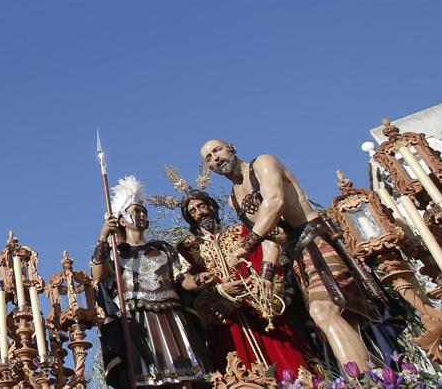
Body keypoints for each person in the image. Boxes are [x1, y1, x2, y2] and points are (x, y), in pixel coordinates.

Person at [199, 139, 383, 374]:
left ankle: (363, 380)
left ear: (232, 148)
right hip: (296, 255)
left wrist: (245, 245)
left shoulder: (263, 164)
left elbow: (274, 203)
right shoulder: (233, 200)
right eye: (208, 158)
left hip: (316, 241)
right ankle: (378, 375)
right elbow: (272, 236)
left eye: (217, 150)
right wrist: (266, 273)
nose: (215, 158)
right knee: (342, 321)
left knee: (323, 312)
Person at [176, 189, 314, 382]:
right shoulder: (187, 250)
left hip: (260, 313)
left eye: (201, 206)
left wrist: (242, 296)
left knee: (288, 370)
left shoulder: (243, 233)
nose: (199, 213)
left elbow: (266, 266)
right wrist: (220, 293)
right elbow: (187, 286)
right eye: (193, 211)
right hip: (226, 324)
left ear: (211, 206)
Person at [92, 176, 209, 388]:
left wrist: (200, 280)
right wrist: (102, 237)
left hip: (171, 317)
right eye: (134, 210)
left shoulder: (163, 248)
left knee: (185, 378)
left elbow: (182, 279)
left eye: (143, 210)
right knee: (147, 379)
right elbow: (98, 276)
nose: (141, 213)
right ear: (121, 220)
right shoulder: (114, 254)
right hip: (137, 323)